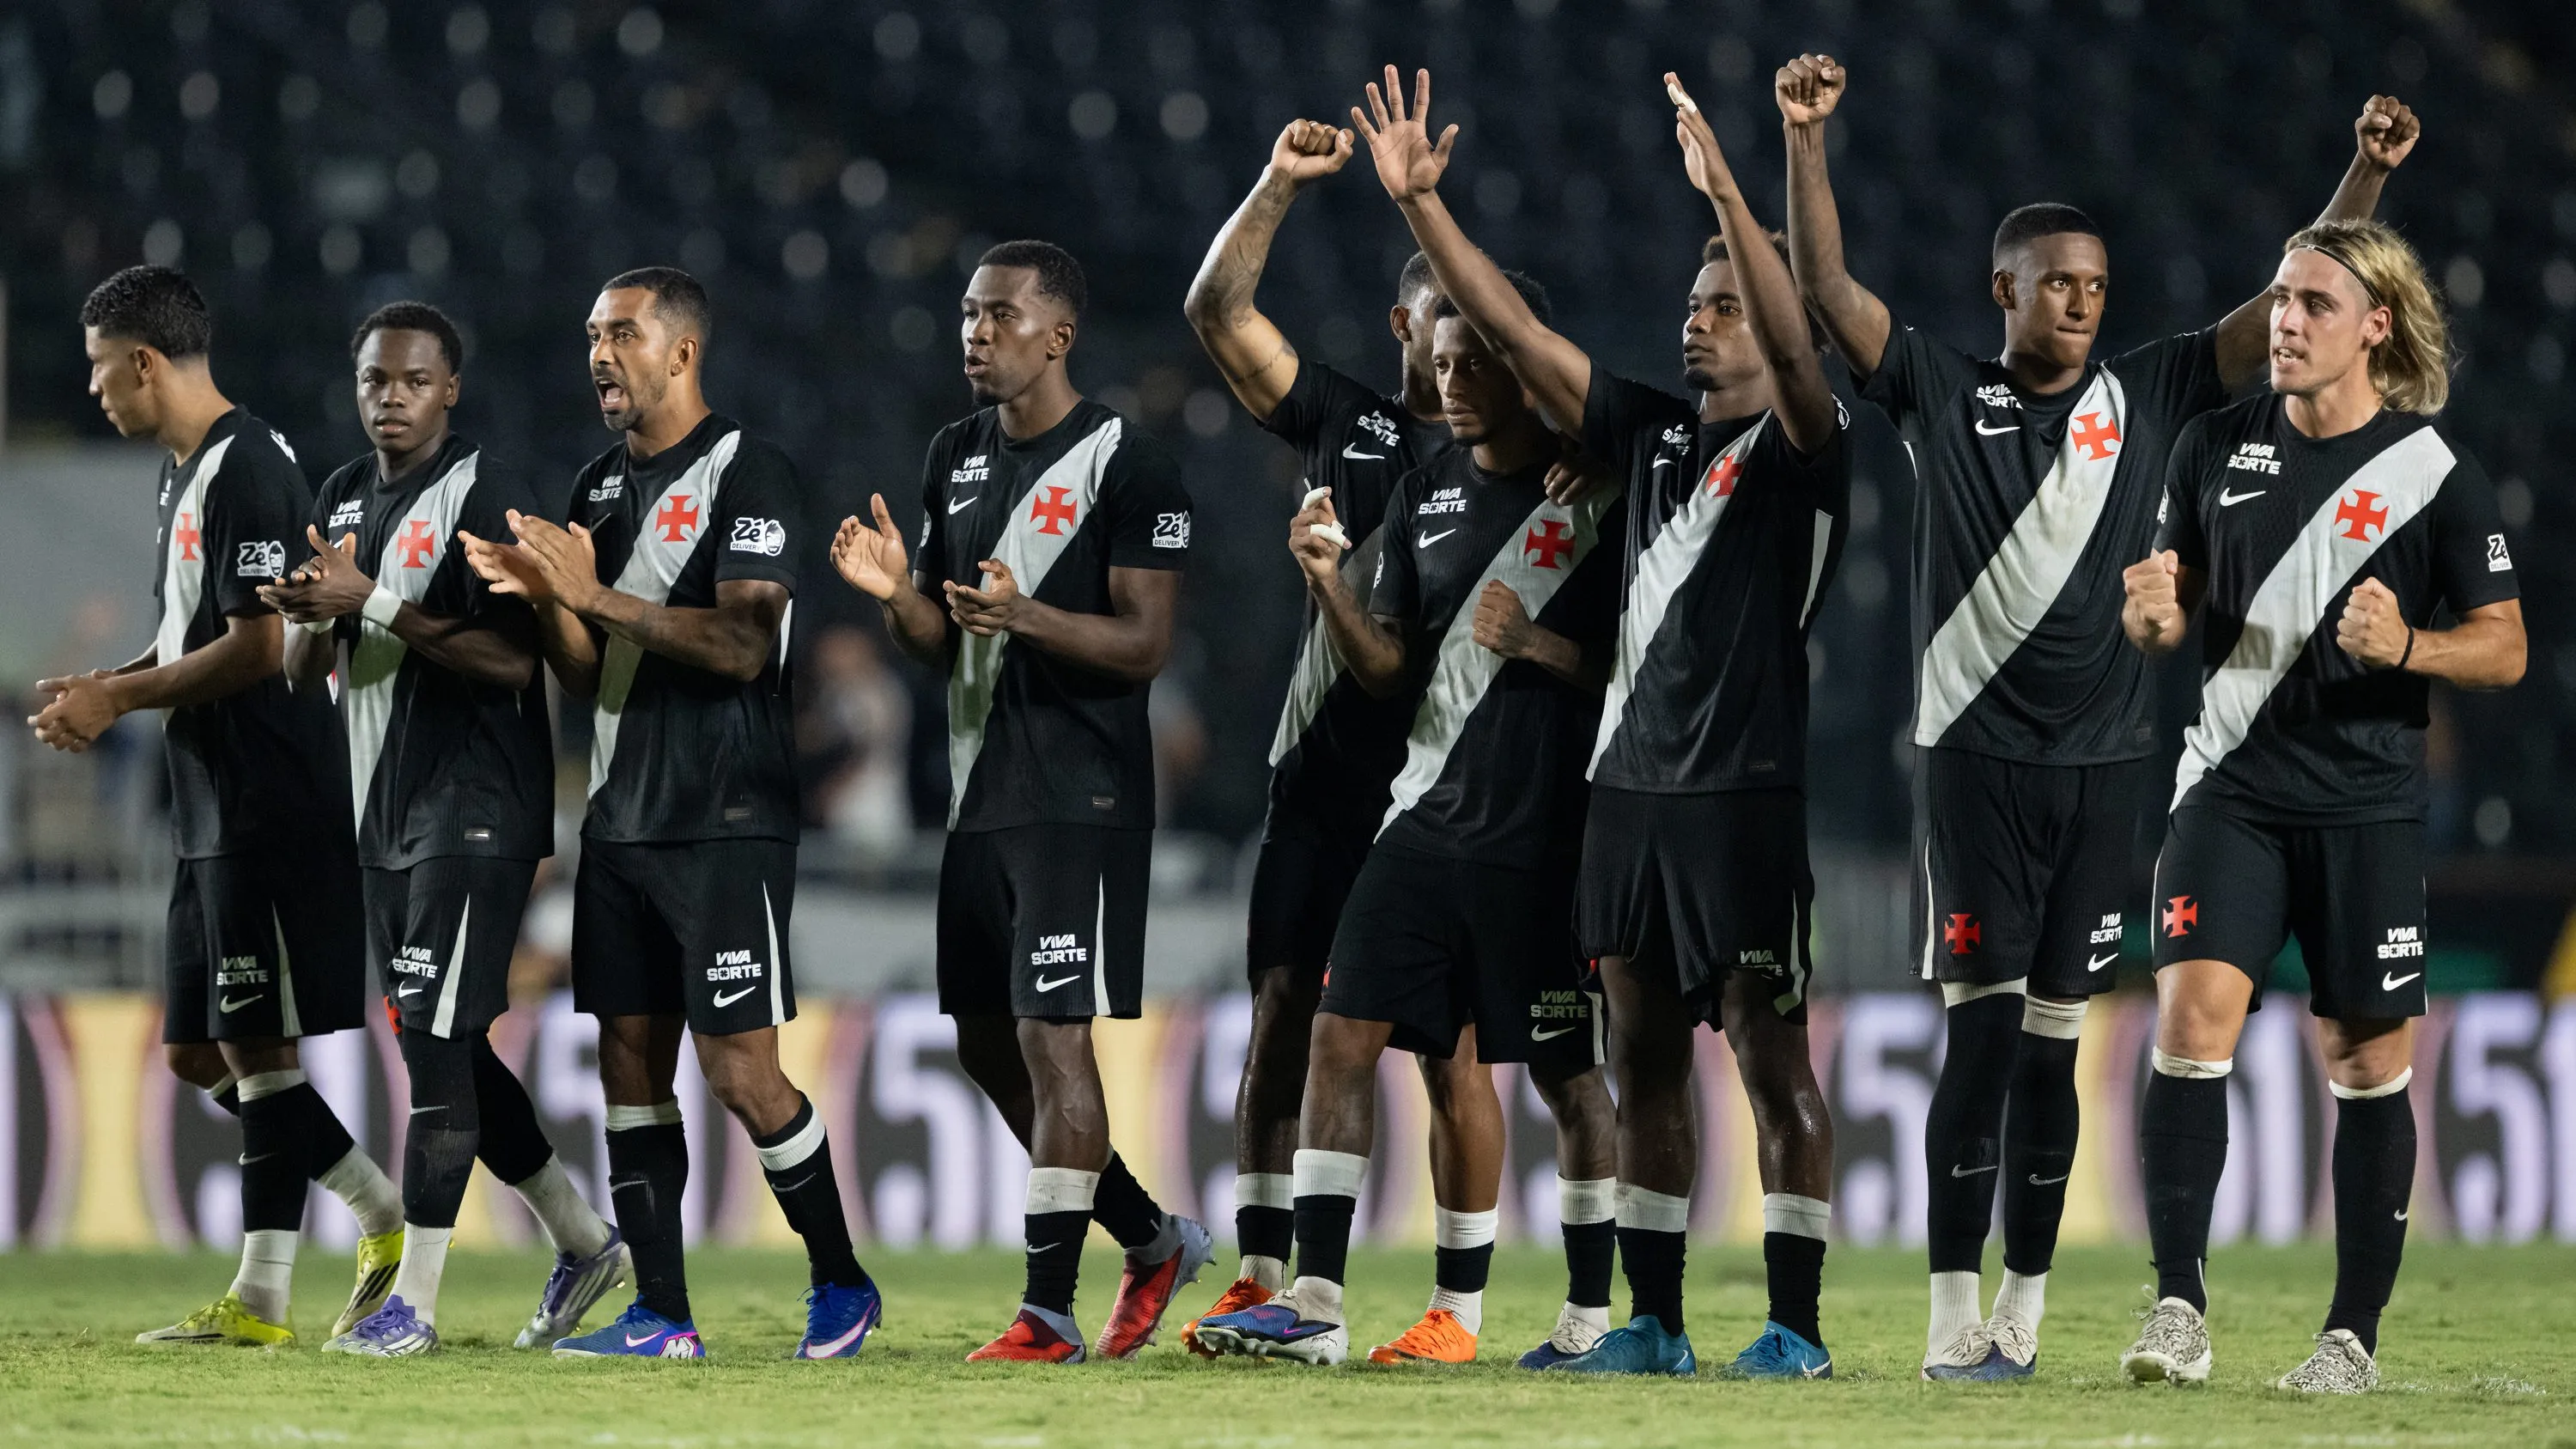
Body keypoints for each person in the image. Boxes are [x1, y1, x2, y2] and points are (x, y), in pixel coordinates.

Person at [1777, 53, 2421, 1377]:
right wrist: (1805, 142)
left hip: (2109, 774)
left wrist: (2366, 178)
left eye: (2096, 289)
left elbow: (2283, 308)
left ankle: (2024, 1300)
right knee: (1977, 1044)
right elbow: (1829, 294)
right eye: (2055, 282)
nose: (2078, 303)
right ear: (2003, 288)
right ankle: (1953, 1310)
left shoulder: (2154, 391)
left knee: (2053, 1056)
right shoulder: (1942, 392)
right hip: (1972, 772)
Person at [1393, 68, 1853, 1377]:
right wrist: (1428, 209)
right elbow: (1514, 336)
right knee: (1643, 1063)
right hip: (1626, 799)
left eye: (1725, 307)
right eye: (1693, 305)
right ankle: (1652, 1319)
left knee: (1772, 1059)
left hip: (1744, 801)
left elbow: (1806, 345)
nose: (1699, 324)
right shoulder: (1647, 437)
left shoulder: (1811, 451)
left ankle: (1795, 1324)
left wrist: (1734, 199)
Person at [1178, 115, 1613, 1365]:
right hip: (1344, 786)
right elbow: (1217, 311)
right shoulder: (1365, 437)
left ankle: (1468, 1307)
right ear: (1403, 334)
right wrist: (1274, 183)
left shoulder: (1575, 472)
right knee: (1294, 1018)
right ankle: (1278, 1284)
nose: (1450, 355)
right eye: (1434, 329)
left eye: (1477, 336)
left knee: (1465, 1054)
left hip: (1497, 798)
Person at [2118, 219, 2521, 1392]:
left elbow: (2505, 649)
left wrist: (2412, 643)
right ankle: (2179, 1305)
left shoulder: (2437, 475)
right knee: (2191, 1022)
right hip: (2229, 794)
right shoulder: (2209, 444)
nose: (2285, 321)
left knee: (2363, 1061)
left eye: (2315, 305)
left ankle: (2351, 1337)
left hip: (2366, 810)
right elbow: (2164, 620)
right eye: (2281, 298)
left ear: (2376, 326)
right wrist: (2149, 613)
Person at [460, 267, 878, 1361]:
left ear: (682, 351)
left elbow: (743, 645)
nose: (599, 352)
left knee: (741, 1070)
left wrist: (588, 591)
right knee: (628, 1062)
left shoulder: (753, 474)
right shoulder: (597, 488)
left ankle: (841, 1281)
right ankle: (662, 1314)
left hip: (727, 817)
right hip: (620, 818)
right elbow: (587, 668)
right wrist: (547, 600)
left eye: (623, 333)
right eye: (591, 333)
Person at [833, 240, 1212, 1364]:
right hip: (978, 790)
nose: (975, 333)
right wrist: (898, 592)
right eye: (966, 314)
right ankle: (1148, 1234)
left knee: (1056, 1038)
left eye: (1000, 315)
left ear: (1059, 334)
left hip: (1080, 792)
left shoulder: (1130, 463)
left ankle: (1045, 1309)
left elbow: (1144, 644)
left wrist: (1029, 615)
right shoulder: (953, 454)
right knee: (986, 1045)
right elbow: (940, 639)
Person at [39, 265, 398, 1347]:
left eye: (103, 372)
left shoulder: (246, 467)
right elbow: (192, 630)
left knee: (253, 1049)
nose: (97, 391)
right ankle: (358, 1222)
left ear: (145, 362)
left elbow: (254, 648)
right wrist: (104, 683)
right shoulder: (184, 471)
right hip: (210, 801)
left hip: (265, 796)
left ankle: (296, 1275)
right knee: (201, 1053)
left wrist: (122, 699)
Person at [260, 301, 625, 1356]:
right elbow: (301, 670)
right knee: (445, 1042)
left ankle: (411, 1303)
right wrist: (307, 616)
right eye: (375, 380)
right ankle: (581, 1236)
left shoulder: (484, 491)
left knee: (433, 1046)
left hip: (475, 809)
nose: (391, 399)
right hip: (383, 818)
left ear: (449, 389)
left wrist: (371, 600)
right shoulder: (336, 494)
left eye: (413, 381)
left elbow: (516, 663)